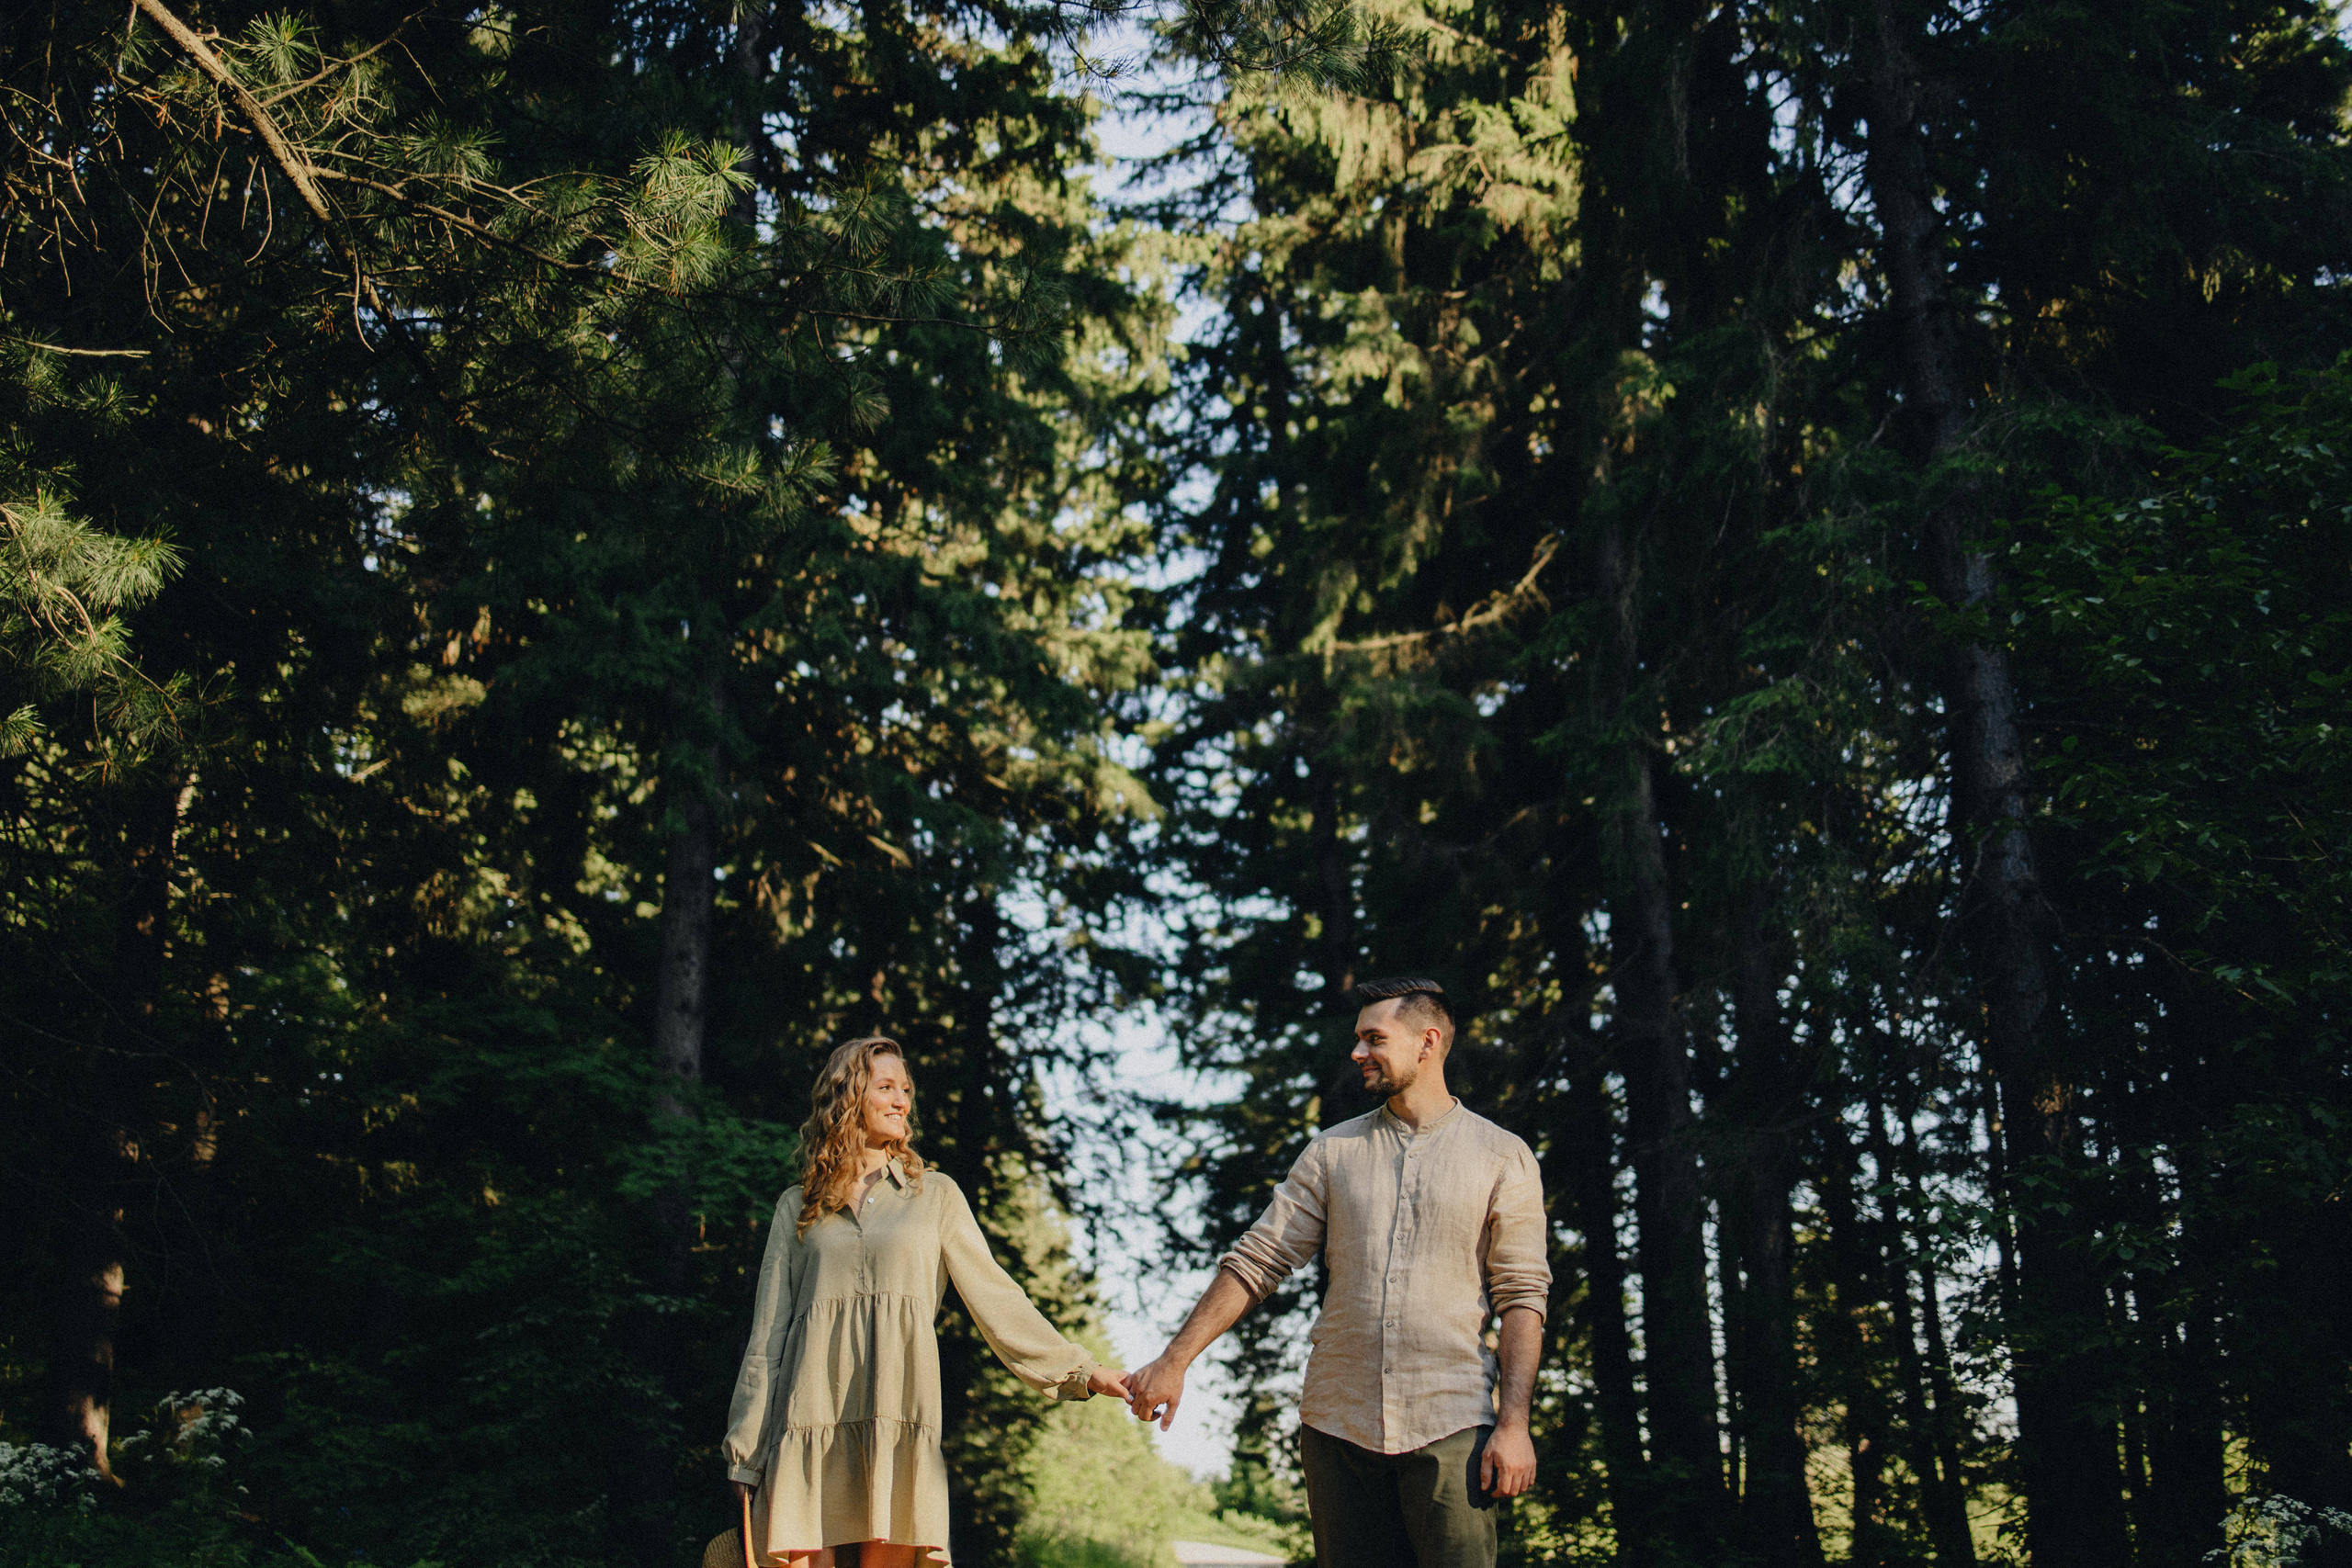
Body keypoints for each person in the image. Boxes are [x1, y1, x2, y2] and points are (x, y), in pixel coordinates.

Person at [1124, 978, 1551, 1568]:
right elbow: (1258, 1259)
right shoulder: (1331, 1152)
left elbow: (1522, 1296)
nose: (1357, 1053)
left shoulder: (1503, 1156)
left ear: (1428, 1042)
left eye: (1374, 1038)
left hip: (1452, 1424)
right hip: (1337, 1426)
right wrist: (1175, 1360)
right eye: (1357, 1039)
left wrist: (1515, 1425)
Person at [723, 1036, 1130, 1566]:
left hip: (896, 1422)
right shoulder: (797, 1206)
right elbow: (768, 1337)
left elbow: (996, 1296)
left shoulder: (934, 1195)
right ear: (848, 1097)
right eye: (885, 1087)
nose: (901, 1101)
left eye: (906, 1090)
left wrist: (1081, 1370)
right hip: (809, 1426)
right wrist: (745, 1454)